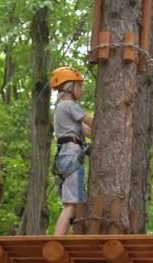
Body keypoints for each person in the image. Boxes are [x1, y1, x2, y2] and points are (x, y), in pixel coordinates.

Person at [49, 66, 93, 236]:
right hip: (71, 155)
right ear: (69, 87)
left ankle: (64, 238)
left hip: (66, 156)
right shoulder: (68, 105)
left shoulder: (62, 109)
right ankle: (57, 241)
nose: (81, 89)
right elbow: (91, 124)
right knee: (72, 205)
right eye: (79, 85)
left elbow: (88, 131)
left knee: (74, 205)